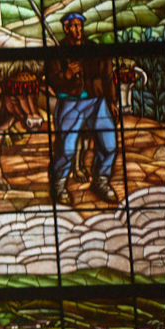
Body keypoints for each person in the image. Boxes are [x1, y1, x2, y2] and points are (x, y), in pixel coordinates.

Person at [47, 12, 119, 205]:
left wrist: (111, 100)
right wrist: (67, 75)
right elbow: (52, 80)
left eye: (79, 25)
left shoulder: (93, 49)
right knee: (67, 149)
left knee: (109, 144)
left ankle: (100, 180)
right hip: (70, 102)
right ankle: (59, 184)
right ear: (66, 28)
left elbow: (107, 74)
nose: (77, 30)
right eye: (73, 26)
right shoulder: (57, 52)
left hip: (96, 101)